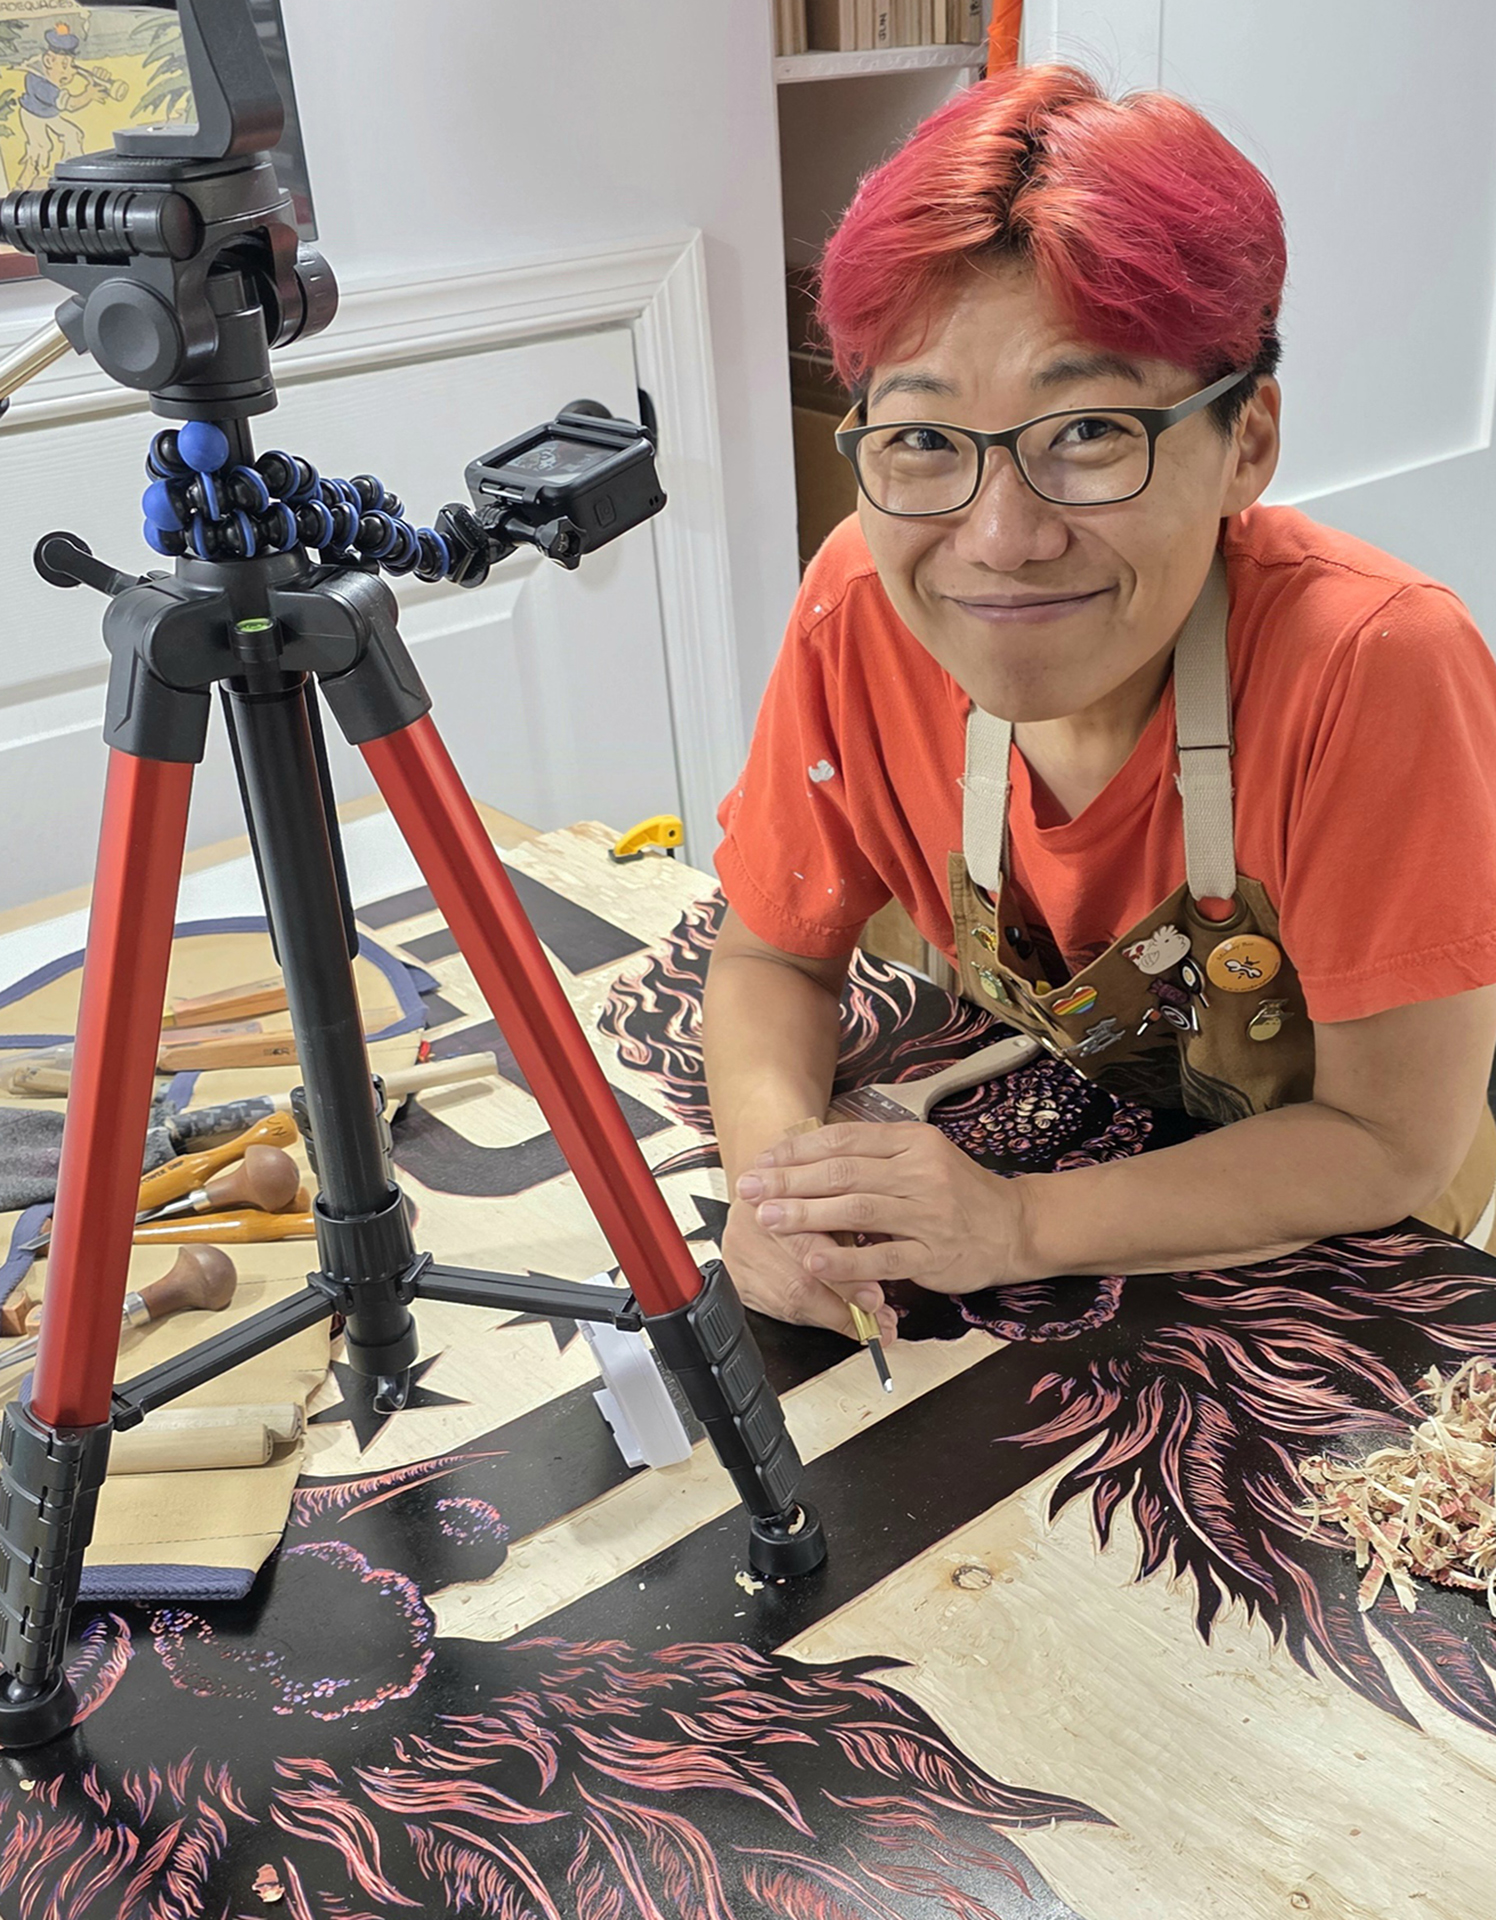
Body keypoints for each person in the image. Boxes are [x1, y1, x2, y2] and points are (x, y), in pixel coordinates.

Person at [704, 64, 1496, 1347]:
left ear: (1245, 440)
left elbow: (1388, 1142)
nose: (1000, 539)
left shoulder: (1371, 663)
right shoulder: (857, 601)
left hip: (1328, 1260)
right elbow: (765, 956)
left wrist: (1014, 1228)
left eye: (1087, 433)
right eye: (919, 438)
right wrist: (786, 1185)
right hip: (1046, 1167)